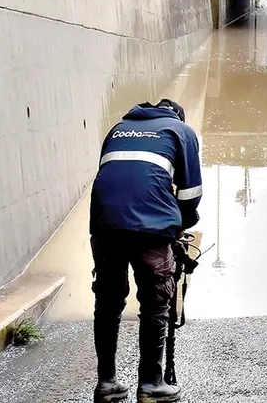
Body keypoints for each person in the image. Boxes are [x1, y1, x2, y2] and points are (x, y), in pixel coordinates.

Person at [90, 99, 202, 403]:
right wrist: (179, 227)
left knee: (108, 301)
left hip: (104, 224)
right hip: (151, 227)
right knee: (155, 302)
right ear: (178, 115)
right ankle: (151, 384)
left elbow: (113, 181)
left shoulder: (118, 129)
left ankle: (107, 383)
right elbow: (191, 193)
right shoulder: (181, 131)